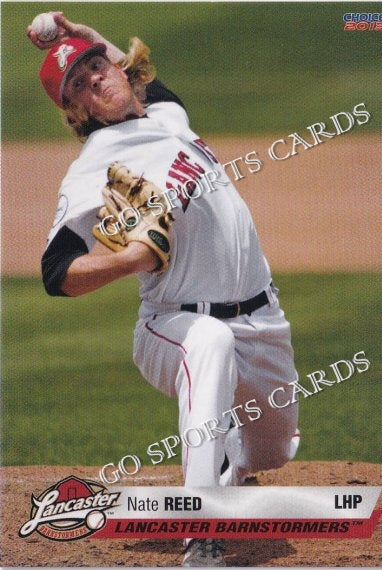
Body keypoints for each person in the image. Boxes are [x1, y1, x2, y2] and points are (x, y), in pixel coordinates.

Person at [28, 12, 300, 567]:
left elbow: (129, 75)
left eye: (95, 67)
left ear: (118, 67)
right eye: (77, 85)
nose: (94, 81)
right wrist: (128, 259)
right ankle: (201, 532)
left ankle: (231, 458)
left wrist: (72, 29)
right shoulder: (93, 166)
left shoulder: (169, 116)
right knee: (210, 344)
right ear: (74, 111)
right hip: (171, 325)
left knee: (273, 453)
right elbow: (55, 272)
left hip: (263, 322)